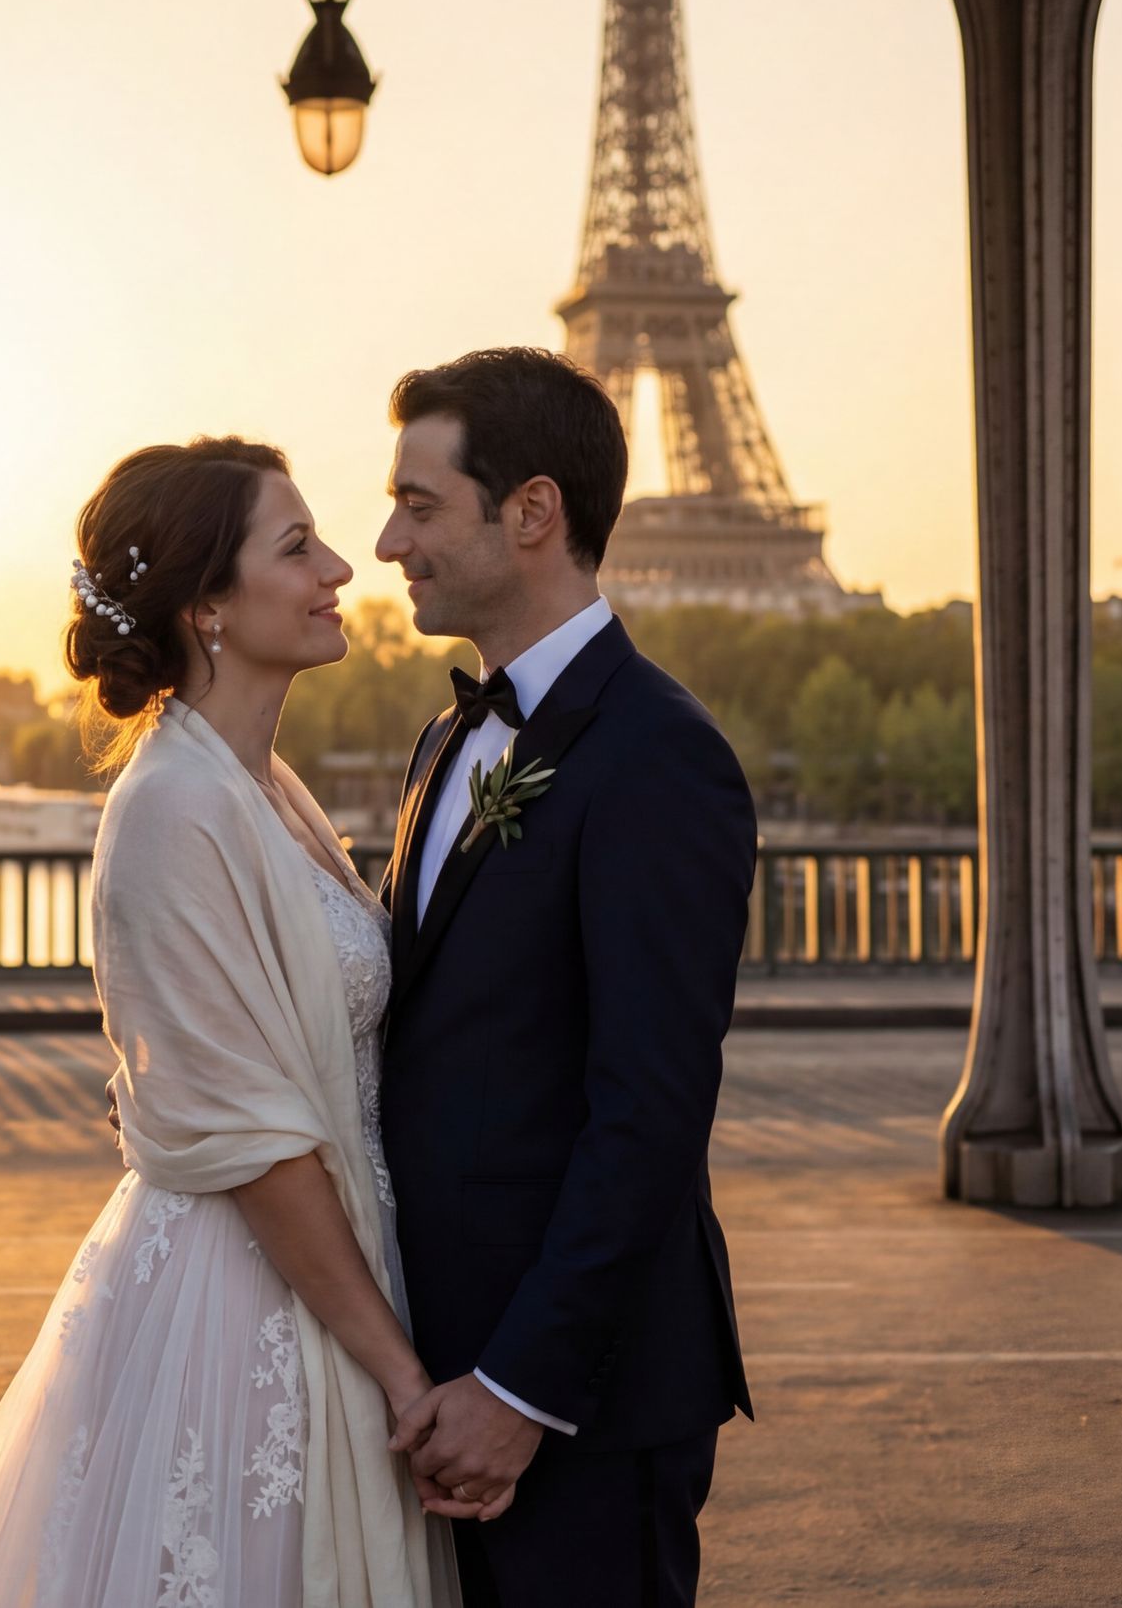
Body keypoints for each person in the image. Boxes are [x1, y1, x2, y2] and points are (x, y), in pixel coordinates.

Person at [0, 437, 464, 1608]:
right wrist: (404, 1377)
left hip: (327, 1271)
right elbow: (257, 1145)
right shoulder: (174, 806)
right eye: (298, 547)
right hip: (249, 1302)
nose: (343, 567)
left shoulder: (258, 785)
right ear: (207, 603)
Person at [374, 348, 755, 1608]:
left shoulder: (660, 756)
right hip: (440, 1382)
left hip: (576, 1401)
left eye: (420, 504)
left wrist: (522, 1390)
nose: (387, 541)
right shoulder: (450, 734)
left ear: (531, 511)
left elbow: (647, 1113)